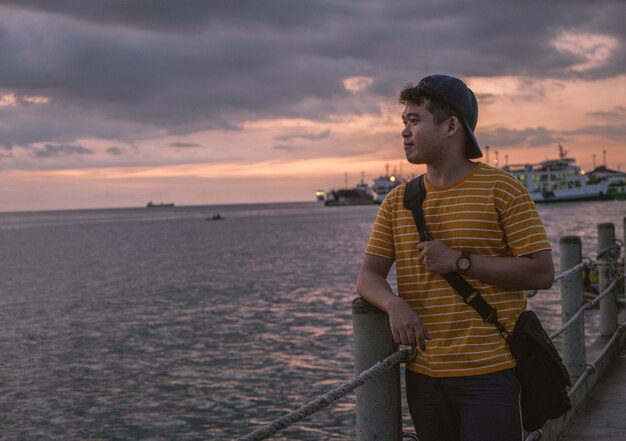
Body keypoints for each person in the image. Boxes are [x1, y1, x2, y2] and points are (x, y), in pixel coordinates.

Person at [356, 74, 554, 441]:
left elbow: (541, 271)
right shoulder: (397, 201)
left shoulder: (502, 189)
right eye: (404, 122)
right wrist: (394, 304)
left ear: (451, 126)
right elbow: (368, 276)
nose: (404, 131)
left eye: (414, 120)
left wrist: (461, 261)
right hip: (423, 375)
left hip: (491, 373)